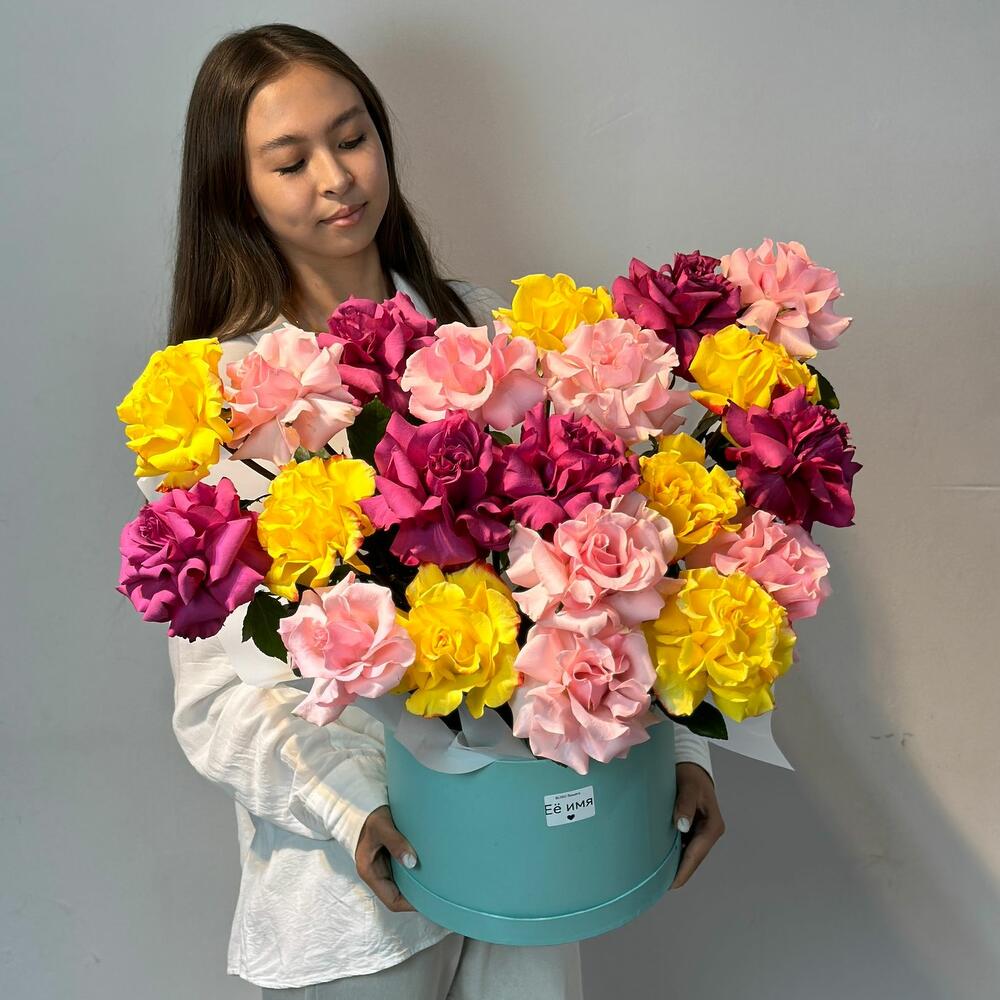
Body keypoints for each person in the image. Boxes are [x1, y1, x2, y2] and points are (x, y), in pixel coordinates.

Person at [159, 22, 725, 999]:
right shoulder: (217, 402)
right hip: (358, 895)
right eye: (291, 162)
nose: (337, 177)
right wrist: (348, 807)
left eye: (352, 138)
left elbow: (624, 567)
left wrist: (686, 747)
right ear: (235, 190)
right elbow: (217, 695)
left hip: (539, 865)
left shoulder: (490, 333)